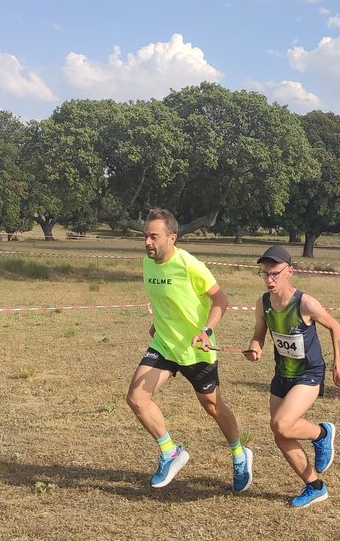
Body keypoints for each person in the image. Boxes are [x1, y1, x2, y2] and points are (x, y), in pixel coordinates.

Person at [126, 208, 253, 492]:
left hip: (196, 350)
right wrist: (156, 324)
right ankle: (171, 453)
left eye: (153, 236)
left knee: (212, 406)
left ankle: (239, 454)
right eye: (145, 235)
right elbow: (165, 301)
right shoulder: (148, 264)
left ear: (172, 238)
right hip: (164, 346)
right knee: (136, 398)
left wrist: (206, 330)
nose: (147, 241)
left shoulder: (188, 264)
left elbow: (221, 299)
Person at [245, 245, 340, 509]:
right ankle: (315, 486)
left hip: (309, 373)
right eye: (265, 273)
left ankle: (322, 434)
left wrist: (338, 365)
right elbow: (259, 333)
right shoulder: (264, 303)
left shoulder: (305, 303)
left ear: (289, 272)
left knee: (280, 424)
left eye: (275, 273)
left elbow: (335, 326)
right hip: (282, 375)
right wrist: (256, 346)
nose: (270, 279)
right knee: (281, 434)